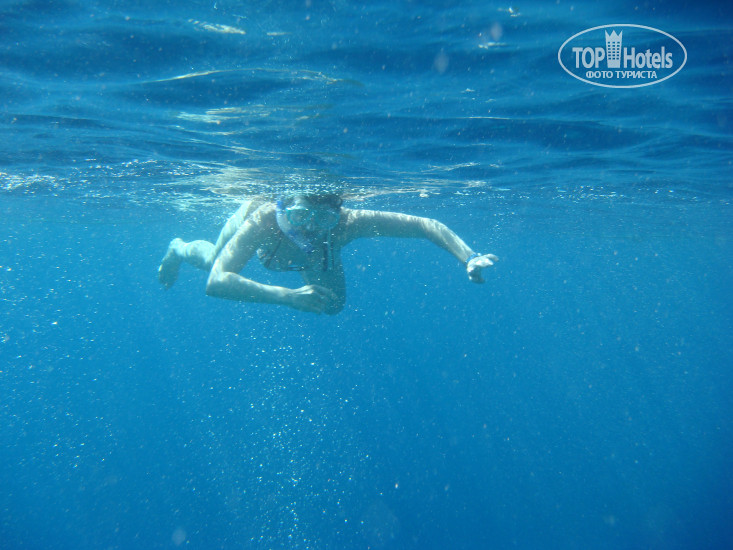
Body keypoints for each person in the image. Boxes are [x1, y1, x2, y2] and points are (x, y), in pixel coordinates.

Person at [158, 194, 498, 314]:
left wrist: (468, 256)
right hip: (261, 241)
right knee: (211, 262)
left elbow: (424, 224)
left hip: (313, 257)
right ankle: (177, 248)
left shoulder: (349, 223)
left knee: (332, 306)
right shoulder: (263, 218)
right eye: (300, 216)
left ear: (338, 215)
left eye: (324, 219)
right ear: (283, 208)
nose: (310, 226)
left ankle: (316, 261)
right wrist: (288, 297)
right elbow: (217, 282)